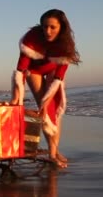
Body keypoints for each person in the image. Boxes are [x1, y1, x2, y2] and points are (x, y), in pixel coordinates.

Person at [10, 9, 81, 168]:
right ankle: (52, 154)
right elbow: (21, 69)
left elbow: (58, 78)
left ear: (61, 27)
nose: (47, 31)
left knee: (53, 109)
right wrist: (16, 95)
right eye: (44, 27)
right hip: (33, 70)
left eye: (52, 27)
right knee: (43, 110)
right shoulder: (32, 38)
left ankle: (53, 152)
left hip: (53, 70)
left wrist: (48, 100)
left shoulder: (66, 44)